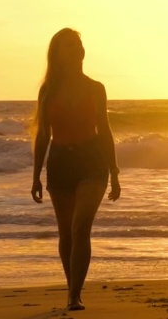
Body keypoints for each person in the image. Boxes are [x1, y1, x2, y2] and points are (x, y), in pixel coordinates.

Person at [30, 28, 121, 311]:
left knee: (80, 227)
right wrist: (35, 176)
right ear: (57, 53)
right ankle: (72, 288)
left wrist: (114, 172)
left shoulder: (96, 88)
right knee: (66, 233)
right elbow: (43, 135)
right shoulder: (48, 90)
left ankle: (74, 296)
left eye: (77, 45)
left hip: (91, 161)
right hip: (60, 163)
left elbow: (105, 131)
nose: (75, 49)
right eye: (67, 45)